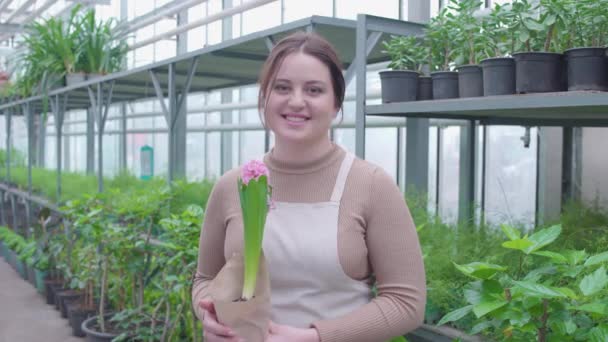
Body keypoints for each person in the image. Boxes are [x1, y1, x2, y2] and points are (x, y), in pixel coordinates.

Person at [192, 31, 426, 342]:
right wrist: (206, 311)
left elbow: (406, 303)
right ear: (265, 97)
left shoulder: (370, 185)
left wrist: (315, 337)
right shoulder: (233, 186)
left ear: (336, 104)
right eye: (282, 87)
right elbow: (205, 279)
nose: (296, 101)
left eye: (314, 90)